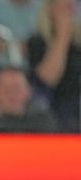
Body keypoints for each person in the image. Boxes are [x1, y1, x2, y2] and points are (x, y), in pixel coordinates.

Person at [27, 0, 81, 132]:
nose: (69, 14)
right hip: (52, 113)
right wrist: (63, 36)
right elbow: (48, 78)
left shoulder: (77, 44)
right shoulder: (37, 41)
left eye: (71, 8)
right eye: (64, 9)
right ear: (50, 10)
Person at [0, 66, 59, 133]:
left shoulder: (43, 123)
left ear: (28, 91)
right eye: (6, 89)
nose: (12, 94)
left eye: (17, 88)